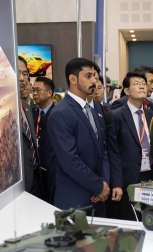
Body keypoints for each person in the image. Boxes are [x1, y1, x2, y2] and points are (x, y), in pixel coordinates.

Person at [48, 58, 111, 215]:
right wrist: (98, 186)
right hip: (75, 199)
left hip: (98, 197)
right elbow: (70, 160)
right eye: (88, 76)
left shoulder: (92, 110)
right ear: (73, 79)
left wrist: (104, 182)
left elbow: (102, 149)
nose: (94, 81)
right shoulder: (61, 113)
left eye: (95, 77)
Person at [112, 71, 153, 220]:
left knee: (151, 218)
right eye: (136, 84)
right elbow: (113, 151)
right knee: (131, 219)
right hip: (128, 177)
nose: (142, 87)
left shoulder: (151, 115)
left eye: (144, 84)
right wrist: (116, 183)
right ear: (127, 90)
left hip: (151, 175)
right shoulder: (116, 116)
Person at [90, 65, 123, 217]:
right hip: (86, 183)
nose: (96, 90)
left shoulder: (108, 113)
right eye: (93, 86)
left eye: (99, 86)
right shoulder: (74, 112)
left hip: (106, 180)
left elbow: (111, 151)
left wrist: (112, 183)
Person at [18, 56, 42, 198]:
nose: (22, 78)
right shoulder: (4, 109)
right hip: (18, 185)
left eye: (25, 73)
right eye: (18, 73)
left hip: (35, 179)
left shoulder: (27, 108)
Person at [32, 76, 56, 203]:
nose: (34, 94)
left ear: (49, 92)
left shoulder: (57, 114)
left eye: (38, 90)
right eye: (33, 90)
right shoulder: (31, 112)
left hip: (52, 170)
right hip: (35, 171)